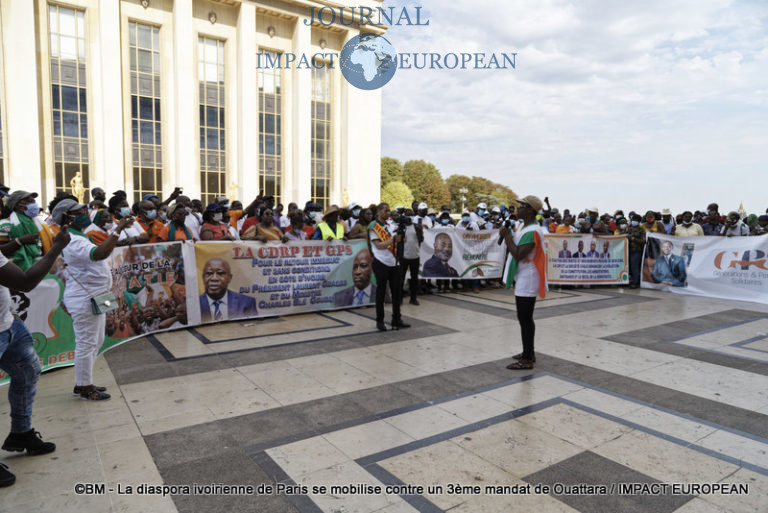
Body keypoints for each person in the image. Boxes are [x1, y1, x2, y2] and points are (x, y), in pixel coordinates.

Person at [0, 224, 70, 487]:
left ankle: (21, 433)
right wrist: (56, 248)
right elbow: (25, 282)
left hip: (8, 325)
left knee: (28, 372)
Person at [53, 199, 133, 400]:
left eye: (84, 209)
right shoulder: (73, 239)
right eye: (79, 211)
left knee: (95, 341)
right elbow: (100, 254)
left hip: (95, 297)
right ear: (68, 218)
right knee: (87, 342)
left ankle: (83, 381)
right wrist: (118, 229)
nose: (85, 212)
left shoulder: (79, 236)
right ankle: (84, 386)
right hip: (85, 299)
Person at [500, 195, 547, 370]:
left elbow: (519, 253)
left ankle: (527, 359)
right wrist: (507, 231)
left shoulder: (533, 231)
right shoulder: (523, 226)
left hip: (529, 278)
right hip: (523, 275)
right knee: (524, 317)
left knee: (525, 318)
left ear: (530, 210)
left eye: (522, 206)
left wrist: (507, 237)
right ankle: (529, 351)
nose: (518, 209)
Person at [368, 203, 408, 331]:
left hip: (394, 262)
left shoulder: (391, 225)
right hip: (380, 261)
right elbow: (379, 245)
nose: (388, 213)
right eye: (385, 210)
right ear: (379, 212)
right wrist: (393, 240)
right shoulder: (374, 227)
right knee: (381, 292)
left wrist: (402, 238)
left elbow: (400, 241)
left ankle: (396, 319)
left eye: (389, 210)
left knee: (396, 292)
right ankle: (380, 321)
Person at [0, 191, 53, 270]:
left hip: (39, 271)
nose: (34, 204)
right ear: (18, 205)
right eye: (29, 201)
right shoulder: (4, 225)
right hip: (15, 273)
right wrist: (20, 241)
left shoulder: (42, 225)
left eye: (33, 201)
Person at [199, 258, 257, 322]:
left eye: (220, 273)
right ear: (203, 277)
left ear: (229, 278)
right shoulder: (195, 304)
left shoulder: (246, 303)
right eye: (209, 273)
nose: (214, 278)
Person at [400, 209, 423, 305]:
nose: (409, 217)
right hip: (404, 257)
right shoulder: (401, 227)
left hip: (415, 256)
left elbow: (421, 240)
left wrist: (419, 231)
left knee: (414, 279)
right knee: (401, 278)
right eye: (407, 215)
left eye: (411, 215)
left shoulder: (416, 226)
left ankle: (413, 298)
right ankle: (399, 298)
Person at [626, 213, 646, 289]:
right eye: (633, 220)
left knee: (635, 267)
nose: (634, 221)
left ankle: (635, 282)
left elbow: (643, 241)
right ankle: (627, 281)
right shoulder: (627, 228)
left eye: (636, 220)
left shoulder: (641, 230)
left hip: (636, 251)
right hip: (626, 251)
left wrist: (633, 239)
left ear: (639, 221)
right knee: (628, 267)